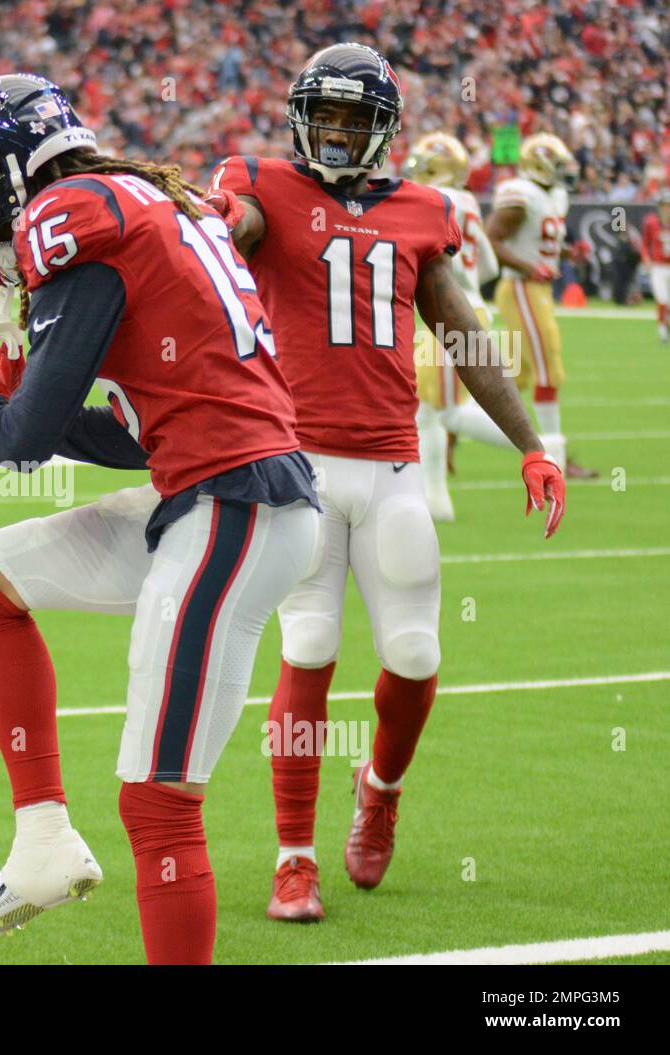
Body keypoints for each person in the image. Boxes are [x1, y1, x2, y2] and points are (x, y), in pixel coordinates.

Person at [0, 74, 319, 964]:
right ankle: (42, 838)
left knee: (158, 802)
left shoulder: (71, 213)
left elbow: (22, 440)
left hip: (232, 511)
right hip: (214, 490)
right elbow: (139, 435)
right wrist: (12, 400)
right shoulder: (147, 200)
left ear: (7, 170)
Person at [210, 43, 565, 922]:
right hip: (297, 466)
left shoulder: (422, 211)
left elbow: (466, 335)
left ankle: (381, 787)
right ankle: (294, 856)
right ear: (301, 117)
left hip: (392, 462)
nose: (333, 133)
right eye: (321, 116)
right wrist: (226, 218)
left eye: (351, 119)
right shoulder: (261, 185)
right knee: (309, 645)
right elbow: (244, 231)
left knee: (414, 653)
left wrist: (530, 444)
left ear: (383, 130)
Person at [404, 131, 514, 522]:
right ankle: (436, 503)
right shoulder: (467, 202)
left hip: (451, 312)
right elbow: (490, 267)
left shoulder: (427, 200)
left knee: (442, 410)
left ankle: (543, 448)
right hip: (472, 306)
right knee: (428, 412)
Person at [486, 132, 597, 478]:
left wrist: (567, 253)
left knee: (519, 374)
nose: (565, 172)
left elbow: (537, 241)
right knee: (549, 368)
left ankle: (450, 422)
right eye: (558, 165)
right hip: (522, 287)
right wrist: (529, 266)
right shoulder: (522, 193)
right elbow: (493, 237)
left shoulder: (549, 197)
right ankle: (556, 457)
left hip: (535, 289)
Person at [640, 189, 670, 342]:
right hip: (658, 266)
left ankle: (666, 324)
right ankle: (662, 329)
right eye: (664, 206)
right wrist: (646, 258)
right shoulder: (652, 222)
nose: (667, 209)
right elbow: (645, 244)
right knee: (662, 298)